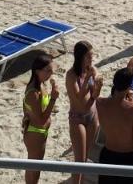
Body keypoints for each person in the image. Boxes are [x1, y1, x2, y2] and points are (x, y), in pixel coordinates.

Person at [96, 68, 133, 184]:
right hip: (129, 157)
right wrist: (132, 102)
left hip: (108, 155)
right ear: (129, 86)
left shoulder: (100, 103)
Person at [65, 41, 102, 183]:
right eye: (88, 56)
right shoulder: (71, 75)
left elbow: (94, 95)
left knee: (85, 159)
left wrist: (98, 86)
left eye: (92, 55)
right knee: (79, 161)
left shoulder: (91, 70)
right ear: (80, 57)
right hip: (77, 118)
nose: (91, 59)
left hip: (92, 116)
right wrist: (88, 78)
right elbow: (79, 98)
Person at [22, 52, 58, 184]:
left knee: (36, 169)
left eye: (51, 71)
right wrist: (53, 98)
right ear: (37, 71)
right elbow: (41, 120)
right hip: (35, 133)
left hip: (39, 132)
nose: (50, 74)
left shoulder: (41, 84)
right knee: (33, 169)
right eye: (48, 71)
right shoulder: (33, 93)